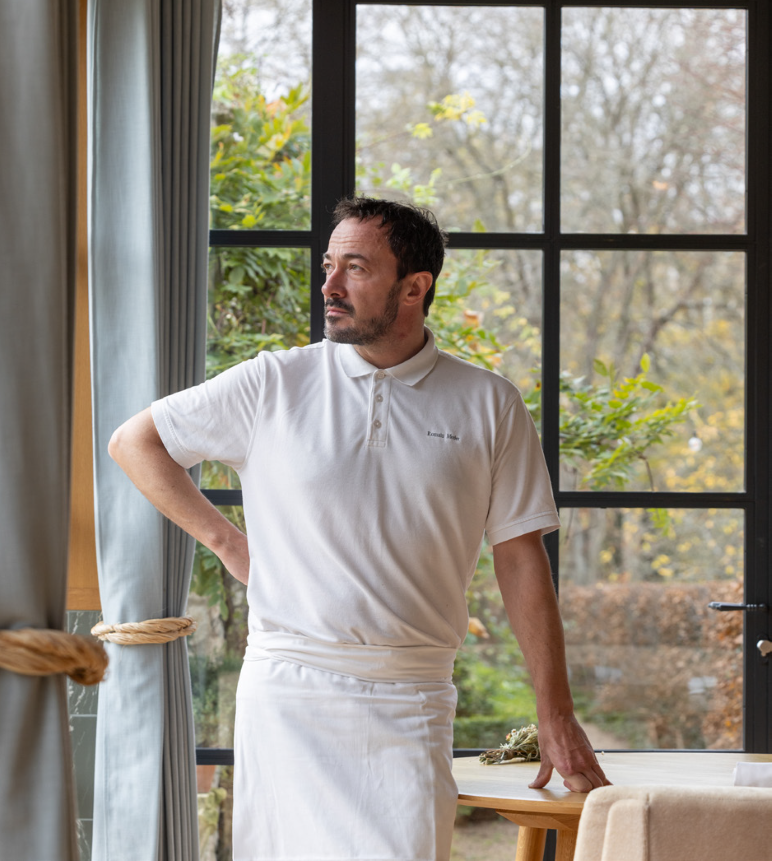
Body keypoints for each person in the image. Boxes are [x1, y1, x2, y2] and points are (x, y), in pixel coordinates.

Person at [109, 196, 610, 861]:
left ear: (414, 286)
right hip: (288, 688)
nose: (330, 286)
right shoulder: (273, 382)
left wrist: (555, 712)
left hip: (413, 694)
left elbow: (520, 560)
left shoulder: (489, 403)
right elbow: (134, 442)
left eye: (356, 268)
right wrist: (229, 544)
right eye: (328, 266)